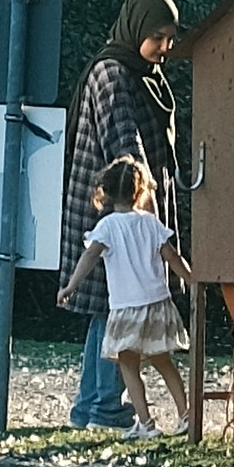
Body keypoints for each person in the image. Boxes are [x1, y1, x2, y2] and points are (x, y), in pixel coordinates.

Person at [58, 0, 182, 426]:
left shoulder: (144, 73)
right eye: (157, 36)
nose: (165, 47)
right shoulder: (111, 73)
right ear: (136, 30)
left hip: (129, 206)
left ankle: (92, 405)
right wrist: (143, 218)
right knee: (119, 308)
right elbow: (123, 146)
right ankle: (103, 405)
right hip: (114, 208)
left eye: (170, 38)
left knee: (111, 310)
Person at [81, 155, 197, 438]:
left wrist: (70, 287)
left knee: (128, 367)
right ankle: (186, 415)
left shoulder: (107, 226)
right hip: (157, 303)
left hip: (126, 307)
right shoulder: (150, 222)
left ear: (105, 192)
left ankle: (145, 423)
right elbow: (172, 256)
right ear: (141, 190)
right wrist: (194, 282)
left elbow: (89, 257)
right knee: (163, 361)